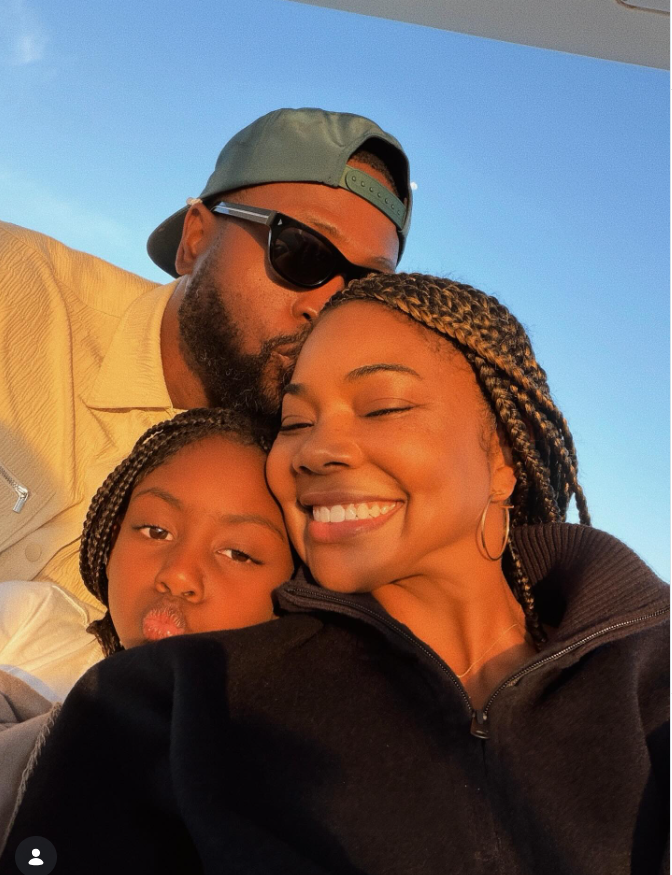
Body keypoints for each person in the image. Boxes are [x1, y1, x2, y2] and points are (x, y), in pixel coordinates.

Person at [2, 274, 667, 875]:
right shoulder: (179, 696)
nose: (318, 449)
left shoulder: (650, 670)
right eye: (297, 420)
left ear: (503, 457)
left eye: (380, 407)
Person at [0, 107, 410, 606]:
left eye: (365, 288)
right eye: (302, 251)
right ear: (196, 238)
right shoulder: (13, 283)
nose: (325, 307)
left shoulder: (302, 491)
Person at [0, 407, 294, 850]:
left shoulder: (264, 769)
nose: (178, 574)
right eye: (156, 530)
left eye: (237, 553)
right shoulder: (30, 616)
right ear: (112, 535)